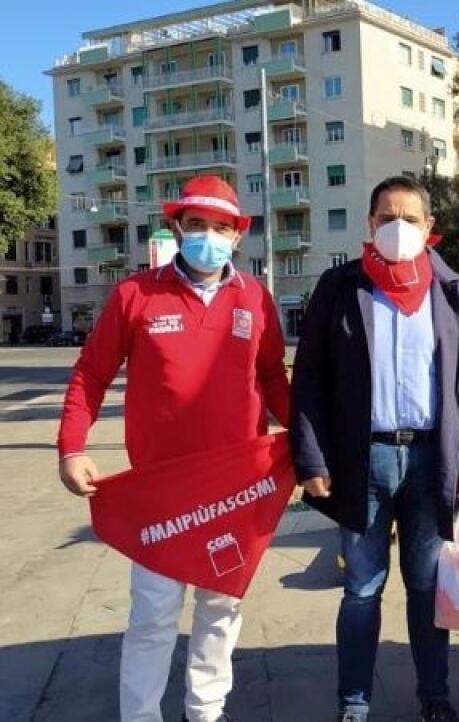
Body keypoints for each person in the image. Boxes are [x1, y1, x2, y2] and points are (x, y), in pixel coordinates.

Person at [56, 175, 290, 722]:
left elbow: (274, 377)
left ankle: (205, 711)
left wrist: (308, 438)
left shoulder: (254, 297)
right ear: (177, 228)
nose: (208, 236)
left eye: (221, 227)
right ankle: (140, 715)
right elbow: (91, 374)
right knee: (153, 614)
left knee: (221, 605)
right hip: (161, 489)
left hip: (235, 487)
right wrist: (72, 447)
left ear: (238, 236)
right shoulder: (135, 295)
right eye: (197, 225)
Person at [289, 176, 459, 722]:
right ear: (370, 224)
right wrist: (310, 459)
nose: (397, 228)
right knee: (360, 588)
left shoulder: (454, 292)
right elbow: (308, 378)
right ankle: (354, 703)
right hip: (363, 461)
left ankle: (435, 698)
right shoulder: (340, 288)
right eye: (386, 217)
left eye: (410, 218)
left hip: (433, 462)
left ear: (431, 229)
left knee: (427, 588)